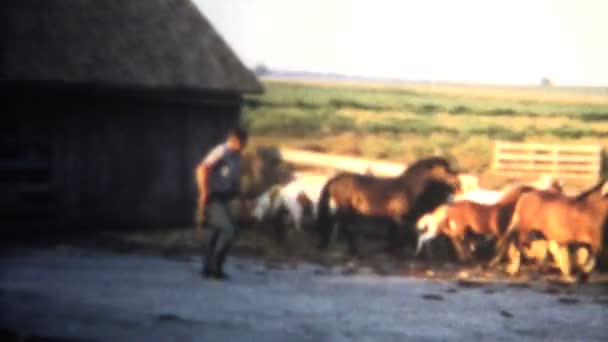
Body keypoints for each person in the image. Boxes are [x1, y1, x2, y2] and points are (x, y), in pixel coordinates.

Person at [195, 126, 248, 280]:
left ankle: (207, 267)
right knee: (229, 231)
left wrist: (241, 197)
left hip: (225, 197)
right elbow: (202, 169)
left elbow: (234, 178)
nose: (244, 146)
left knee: (217, 231)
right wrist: (204, 192)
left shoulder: (237, 155)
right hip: (213, 197)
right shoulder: (221, 151)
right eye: (243, 143)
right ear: (234, 140)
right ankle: (216, 266)